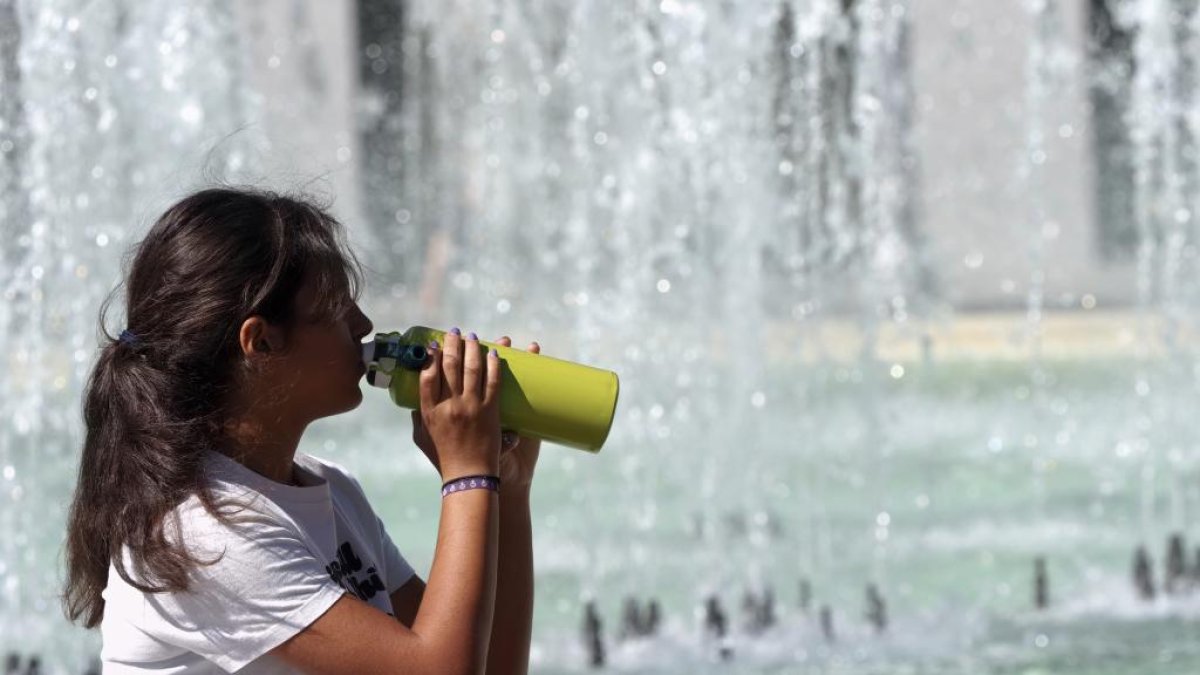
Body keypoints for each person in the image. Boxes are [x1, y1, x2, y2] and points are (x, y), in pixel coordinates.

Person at [60, 187, 540, 674]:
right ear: (261, 342)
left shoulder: (334, 495)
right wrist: (467, 475)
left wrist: (509, 489)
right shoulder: (200, 535)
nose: (364, 324)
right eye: (335, 307)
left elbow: (489, 667)